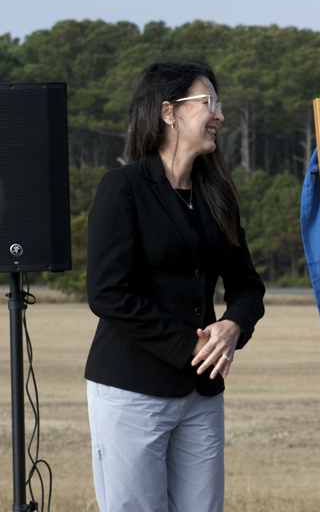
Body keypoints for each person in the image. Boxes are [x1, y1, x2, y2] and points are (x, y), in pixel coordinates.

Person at [84, 61, 265, 512]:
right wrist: (193, 345)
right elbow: (108, 293)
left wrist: (232, 326)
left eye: (218, 104)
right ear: (169, 113)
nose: (219, 115)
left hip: (200, 395)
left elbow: (247, 285)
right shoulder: (122, 187)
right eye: (209, 103)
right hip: (131, 391)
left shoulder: (217, 193)